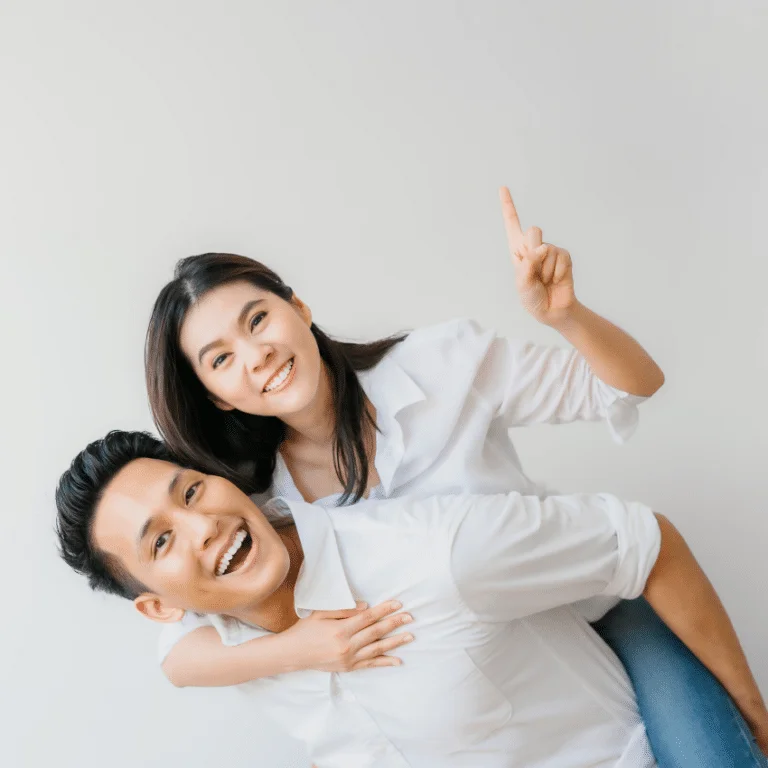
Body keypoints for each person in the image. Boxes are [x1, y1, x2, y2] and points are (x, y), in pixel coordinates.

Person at [142, 188, 738, 764]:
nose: (256, 354)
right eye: (220, 359)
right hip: (511, 698)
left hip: (596, 605)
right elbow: (179, 655)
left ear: (298, 308)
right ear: (215, 396)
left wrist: (567, 317)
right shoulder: (253, 503)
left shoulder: (439, 365)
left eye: (258, 320)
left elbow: (633, 384)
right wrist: (293, 651)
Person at [54, 430, 768, 767]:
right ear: (157, 604)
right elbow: (176, 662)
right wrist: (297, 650)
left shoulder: (437, 555)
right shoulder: (219, 642)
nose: (203, 525)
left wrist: (753, 718)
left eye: (191, 490)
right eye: (160, 543)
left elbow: (647, 540)